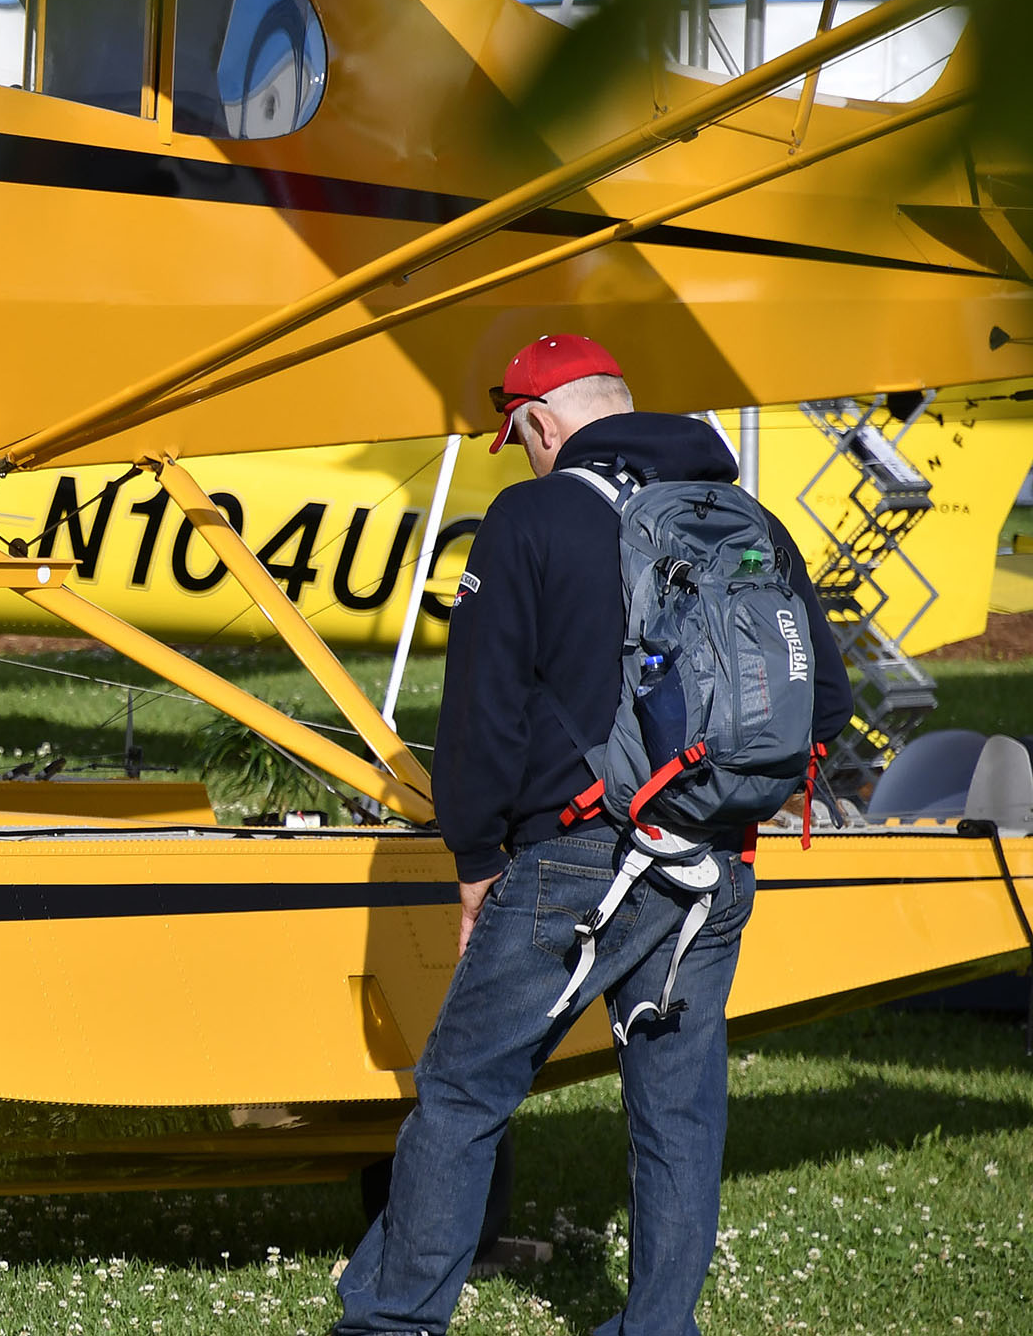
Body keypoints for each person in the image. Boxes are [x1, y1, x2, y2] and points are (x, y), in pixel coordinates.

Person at [332, 334, 851, 1336]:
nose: (522, 456)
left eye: (518, 436)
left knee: (462, 1086)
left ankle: (391, 1322)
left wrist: (476, 857)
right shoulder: (747, 519)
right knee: (679, 1107)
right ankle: (658, 1326)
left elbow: (481, 712)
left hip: (575, 859)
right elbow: (822, 706)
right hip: (719, 860)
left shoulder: (529, 514)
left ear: (538, 423)